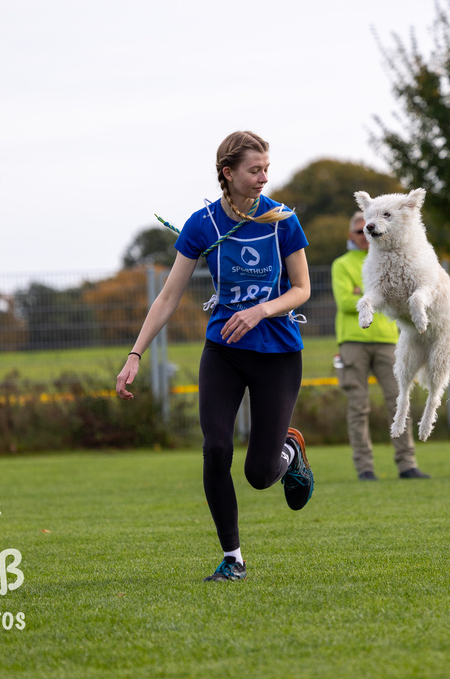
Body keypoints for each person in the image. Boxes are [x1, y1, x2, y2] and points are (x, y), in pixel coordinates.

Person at [116, 131, 314, 582]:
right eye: (254, 170)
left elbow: (302, 289)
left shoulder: (283, 221)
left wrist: (261, 310)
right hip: (223, 351)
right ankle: (233, 558)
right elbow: (168, 296)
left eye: (266, 169)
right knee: (216, 448)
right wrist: (135, 354)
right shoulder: (202, 224)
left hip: (278, 352)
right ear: (228, 172)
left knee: (259, 474)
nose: (263, 178)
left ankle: (289, 449)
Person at [331, 211, 430, 481]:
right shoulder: (341, 264)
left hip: (389, 341)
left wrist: (363, 293)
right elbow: (345, 302)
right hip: (353, 342)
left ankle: (407, 464)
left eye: (370, 228)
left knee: (399, 402)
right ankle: (364, 467)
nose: (366, 234)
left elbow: (398, 296)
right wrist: (378, 295)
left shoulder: (390, 259)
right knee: (358, 407)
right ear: (352, 235)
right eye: (360, 230)